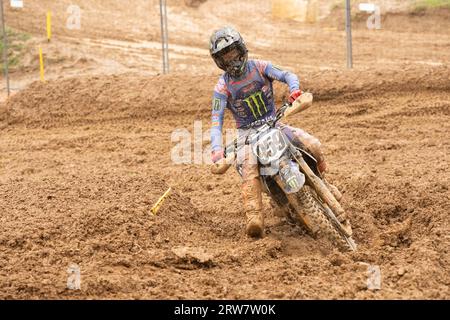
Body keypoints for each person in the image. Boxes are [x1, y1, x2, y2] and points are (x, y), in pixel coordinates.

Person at [209, 26, 343, 238]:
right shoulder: (222, 87)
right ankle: (254, 216)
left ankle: (324, 181)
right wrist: (217, 151)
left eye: (233, 52)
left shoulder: (260, 67)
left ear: (241, 49)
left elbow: (287, 74)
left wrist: (294, 90)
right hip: (247, 135)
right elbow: (216, 121)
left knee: (312, 144)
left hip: (274, 122)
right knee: (248, 164)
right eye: (225, 57)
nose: (232, 60)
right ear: (219, 61)